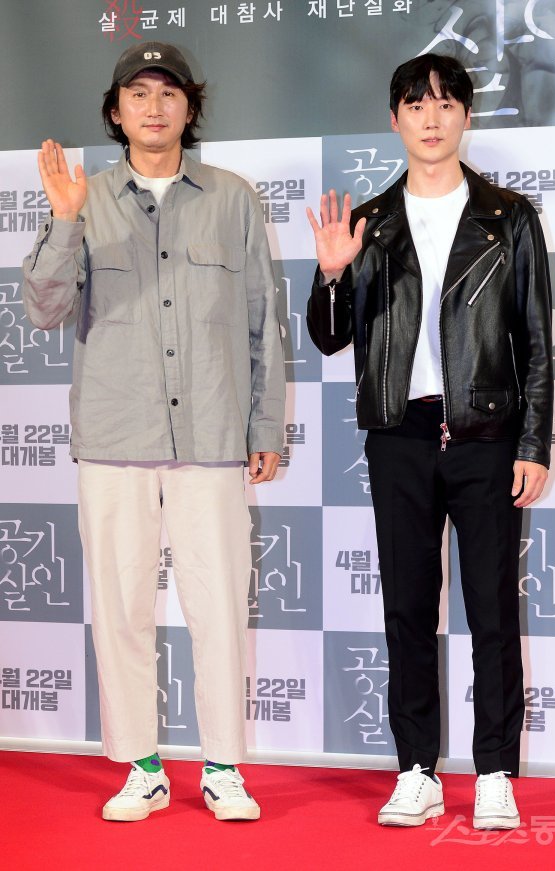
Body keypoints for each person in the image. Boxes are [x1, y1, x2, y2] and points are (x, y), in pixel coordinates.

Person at [22, 41, 285, 823]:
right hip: (114, 437)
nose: (154, 106)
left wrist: (264, 424)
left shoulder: (232, 198)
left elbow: (262, 321)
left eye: (168, 92)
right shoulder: (85, 198)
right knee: (122, 607)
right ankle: (142, 767)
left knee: (219, 608)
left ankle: (223, 767)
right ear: (115, 112)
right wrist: (64, 221)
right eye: (137, 93)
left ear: (189, 107)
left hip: (211, 435)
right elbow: (43, 309)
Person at [307, 53, 553, 830]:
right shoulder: (370, 222)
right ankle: (416, 768)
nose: (432, 118)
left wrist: (534, 442)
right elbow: (329, 337)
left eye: (446, 103)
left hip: (487, 432)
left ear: (467, 116)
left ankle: (495, 772)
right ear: (395, 120)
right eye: (417, 104)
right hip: (400, 435)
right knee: (408, 609)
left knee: (493, 612)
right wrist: (332, 275)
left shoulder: (508, 217)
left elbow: (537, 343)